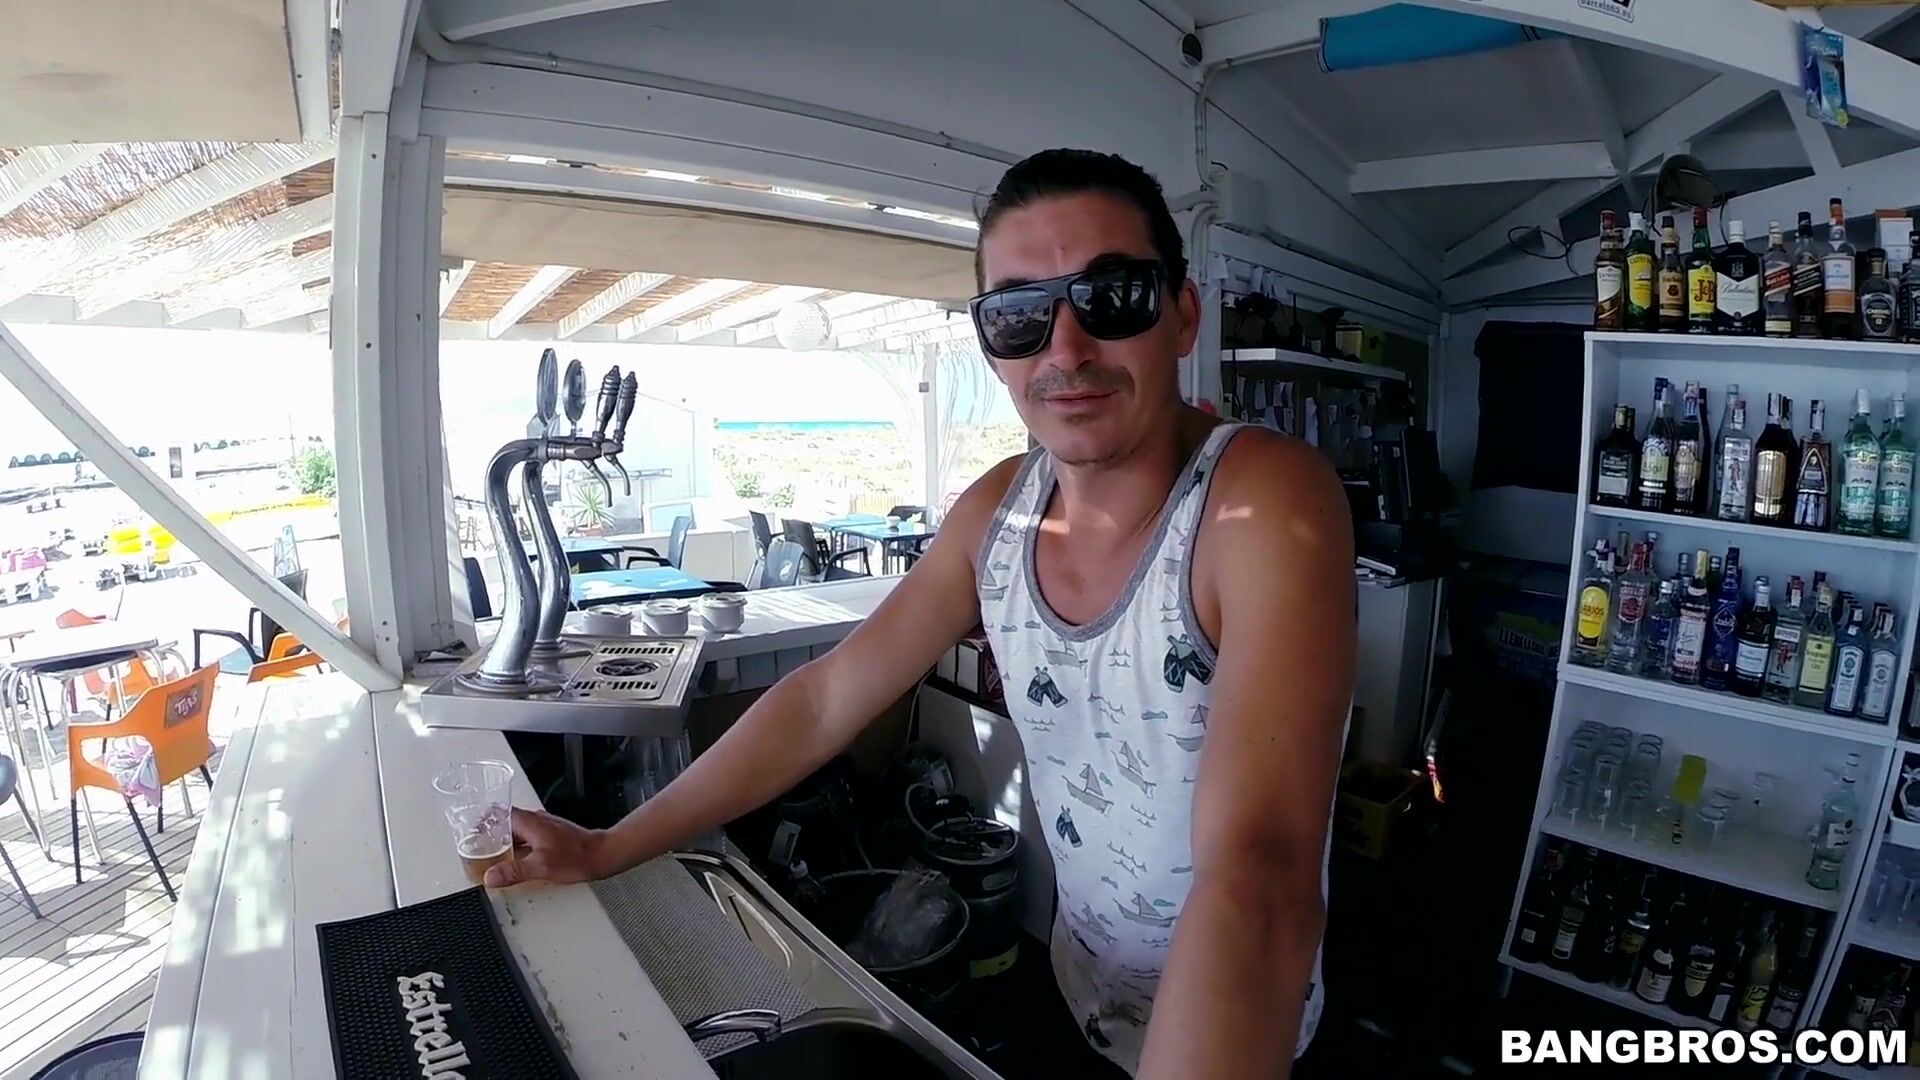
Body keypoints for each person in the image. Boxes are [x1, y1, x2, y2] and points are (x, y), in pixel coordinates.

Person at [488, 148, 1357, 1079]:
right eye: (1020, 315)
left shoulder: (1261, 502)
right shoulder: (998, 514)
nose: (1066, 350)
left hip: (1244, 1030)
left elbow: (1260, 869)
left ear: (1181, 315)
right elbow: (825, 700)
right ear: (991, 345)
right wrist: (610, 846)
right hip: (1081, 985)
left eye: (1113, 297)